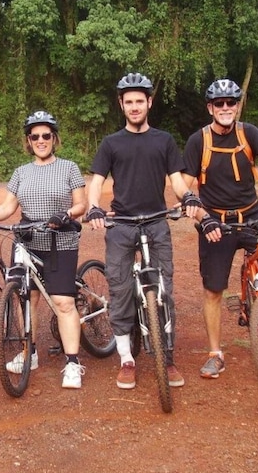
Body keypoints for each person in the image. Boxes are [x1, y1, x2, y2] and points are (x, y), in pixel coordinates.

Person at [181, 78, 258, 379]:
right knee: (213, 292)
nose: (226, 108)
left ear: (237, 105)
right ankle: (215, 353)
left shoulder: (248, 132)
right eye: (219, 103)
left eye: (231, 102)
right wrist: (195, 209)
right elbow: (184, 186)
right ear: (210, 108)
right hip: (216, 224)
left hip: (253, 217)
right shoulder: (198, 141)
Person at [86, 72, 201, 390]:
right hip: (121, 224)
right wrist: (95, 206)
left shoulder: (163, 140)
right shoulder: (111, 143)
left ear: (149, 103)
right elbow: (96, 181)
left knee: (164, 291)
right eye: (129, 102)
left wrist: (188, 196)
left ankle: (168, 356)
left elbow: (177, 180)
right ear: (121, 105)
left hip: (156, 222)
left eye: (140, 101)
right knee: (121, 291)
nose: (135, 106)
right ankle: (126, 359)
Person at [0, 111, 88, 389]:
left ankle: (72, 363)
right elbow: (9, 207)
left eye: (46, 135)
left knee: (63, 303)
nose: (41, 140)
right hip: (27, 242)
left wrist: (66, 214)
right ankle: (29, 353)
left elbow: (81, 204)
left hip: (61, 242)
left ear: (54, 138)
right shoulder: (21, 172)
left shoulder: (69, 168)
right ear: (28, 141)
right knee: (26, 299)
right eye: (35, 136)